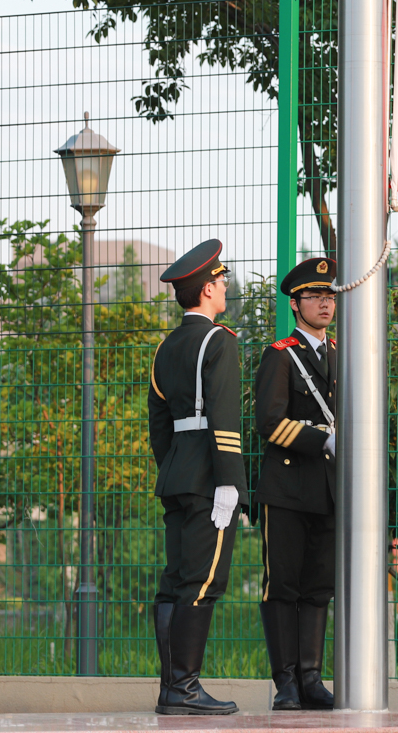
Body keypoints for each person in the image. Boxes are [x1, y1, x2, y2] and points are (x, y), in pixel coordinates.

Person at [148, 239, 246, 716]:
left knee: (175, 583)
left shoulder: (165, 348)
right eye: (221, 280)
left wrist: (175, 467)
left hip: (177, 476)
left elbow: (160, 426)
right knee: (203, 584)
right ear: (207, 289)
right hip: (210, 478)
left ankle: (171, 688)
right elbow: (226, 418)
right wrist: (229, 482)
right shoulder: (220, 341)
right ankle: (184, 689)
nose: (225, 286)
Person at [253, 257, 339, 710]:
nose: (325, 302)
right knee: (282, 586)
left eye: (329, 295)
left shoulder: (340, 354)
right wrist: (321, 439)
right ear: (295, 303)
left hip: (326, 490)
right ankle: (285, 681)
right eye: (314, 295)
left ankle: (310, 678)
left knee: (318, 588)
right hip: (286, 489)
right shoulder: (280, 354)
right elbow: (268, 421)